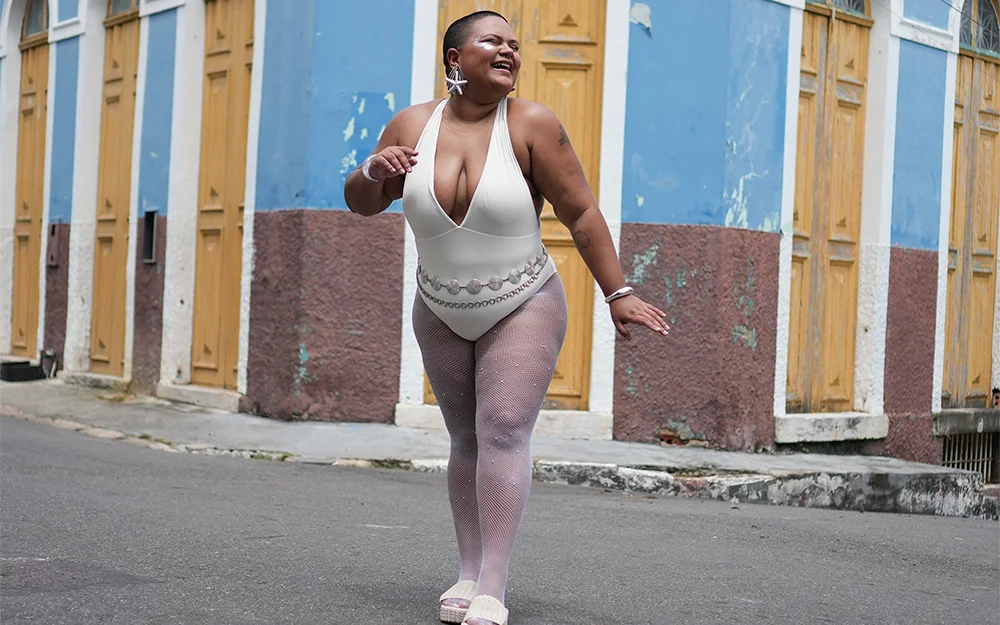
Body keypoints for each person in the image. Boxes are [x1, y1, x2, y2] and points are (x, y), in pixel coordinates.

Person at [344, 11, 669, 625]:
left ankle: (493, 582)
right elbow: (363, 204)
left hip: (523, 300)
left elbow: (581, 213)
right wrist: (372, 170)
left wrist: (618, 291)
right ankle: (467, 571)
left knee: (503, 429)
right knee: (465, 438)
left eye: (514, 45)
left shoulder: (531, 124)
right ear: (455, 59)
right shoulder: (412, 125)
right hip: (438, 304)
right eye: (492, 41)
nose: (509, 51)